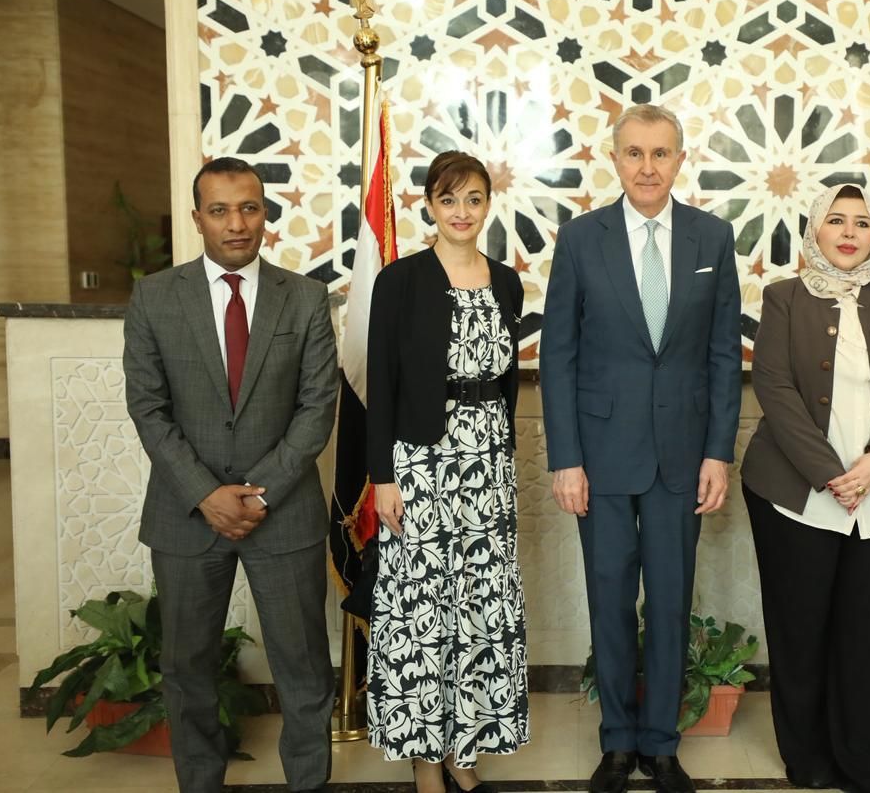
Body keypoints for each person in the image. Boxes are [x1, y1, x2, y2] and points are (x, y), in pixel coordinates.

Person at [540, 104, 741, 793]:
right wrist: (565, 459)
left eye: (660, 153)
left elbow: (723, 355)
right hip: (598, 457)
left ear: (680, 160)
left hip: (683, 456)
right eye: (634, 153)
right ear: (615, 158)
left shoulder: (712, 237)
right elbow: (558, 355)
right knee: (610, 601)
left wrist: (718, 453)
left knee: (672, 602)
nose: (647, 167)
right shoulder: (580, 239)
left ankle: (661, 744)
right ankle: (618, 743)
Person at [123, 156, 339, 793]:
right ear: (197, 219)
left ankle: (308, 784)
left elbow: (317, 407)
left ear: (266, 213)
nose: (236, 223)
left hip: (286, 514)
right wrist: (206, 494)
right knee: (186, 668)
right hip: (186, 517)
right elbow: (148, 406)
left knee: (303, 668)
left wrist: (259, 494)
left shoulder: (305, 297)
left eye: (248, 208)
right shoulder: (155, 297)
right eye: (219, 210)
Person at [740, 182, 870, 793]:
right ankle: (809, 759)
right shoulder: (783, 298)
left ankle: (868, 762)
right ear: (815, 230)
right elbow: (774, 388)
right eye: (837, 220)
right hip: (794, 495)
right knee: (800, 632)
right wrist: (829, 473)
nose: (849, 233)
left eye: (862, 223)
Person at [365, 151, 528, 793]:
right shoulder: (400, 281)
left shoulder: (506, 281)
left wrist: (498, 456)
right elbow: (381, 384)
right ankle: (425, 759)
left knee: (480, 611)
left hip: (486, 464)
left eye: (474, 199)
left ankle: (467, 748)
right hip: (420, 463)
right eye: (449, 199)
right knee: (424, 613)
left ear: (489, 205)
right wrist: (382, 477)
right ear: (429, 205)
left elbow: (506, 381)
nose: (462, 212)